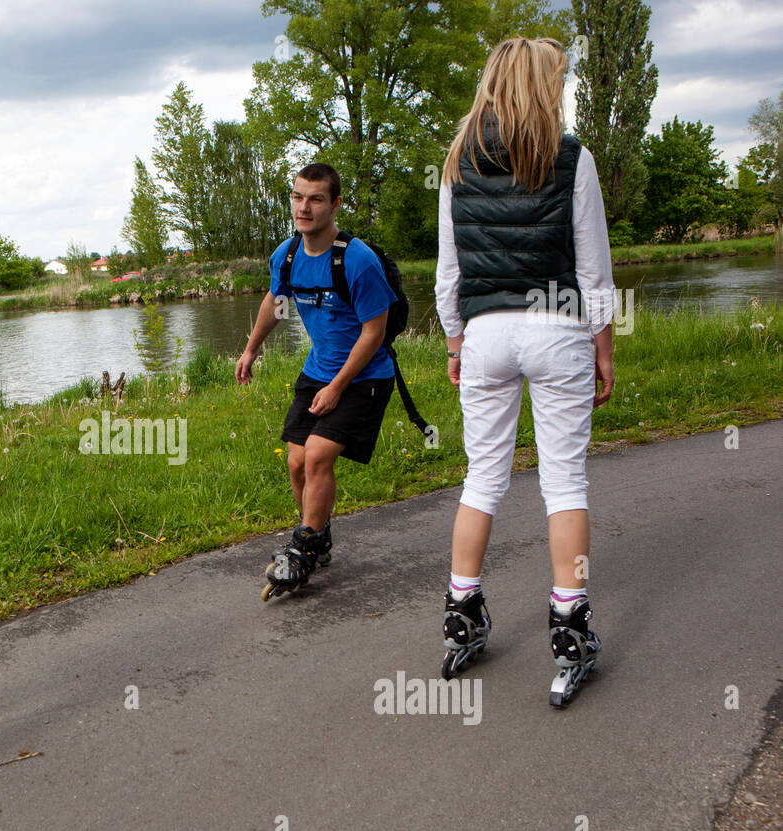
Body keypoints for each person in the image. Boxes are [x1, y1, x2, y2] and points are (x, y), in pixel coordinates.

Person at [435, 37, 616, 706]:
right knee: (563, 480)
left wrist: (455, 340)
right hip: (558, 325)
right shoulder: (572, 159)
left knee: (482, 476)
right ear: (544, 85)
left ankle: (461, 613)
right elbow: (594, 270)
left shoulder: (457, 162)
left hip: (485, 331)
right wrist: (605, 345)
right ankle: (569, 630)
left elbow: (448, 272)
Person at [236, 163, 398, 598]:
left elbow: (374, 332)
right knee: (295, 460)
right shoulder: (287, 255)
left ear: (335, 203)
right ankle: (318, 535)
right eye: (297, 197)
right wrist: (251, 349)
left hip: (365, 376)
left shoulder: (358, 260)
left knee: (318, 457)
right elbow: (276, 299)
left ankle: (303, 547)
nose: (303, 207)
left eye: (316, 199)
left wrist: (338, 386)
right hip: (317, 370)